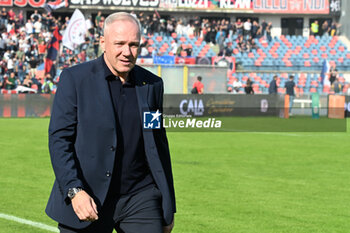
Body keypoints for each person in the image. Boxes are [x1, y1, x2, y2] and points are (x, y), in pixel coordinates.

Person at [46, 12, 175, 233]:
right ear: (103, 42)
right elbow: (60, 140)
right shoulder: (75, 80)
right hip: (89, 195)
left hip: (139, 197)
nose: (127, 52)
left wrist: (167, 206)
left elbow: (157, 145)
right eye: (120, 44)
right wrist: (74, 191)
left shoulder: (152, 85)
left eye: (134, 45)